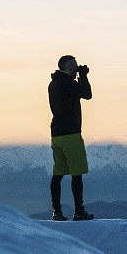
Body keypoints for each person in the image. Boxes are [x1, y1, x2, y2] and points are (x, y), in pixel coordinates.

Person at [48, 55, 94, 221]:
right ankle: (79, 211)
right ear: (68, 67)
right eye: (74, 65)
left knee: (58, 173)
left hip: (56, 134)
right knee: (77, 173)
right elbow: (87, 94)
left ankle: (57, 211)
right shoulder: (68, 83)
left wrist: (79, 76)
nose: (77, 67)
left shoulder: (53, 84)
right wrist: (83, 76)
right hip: (71, 134)